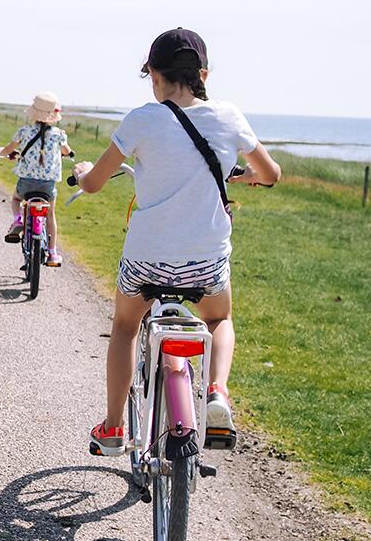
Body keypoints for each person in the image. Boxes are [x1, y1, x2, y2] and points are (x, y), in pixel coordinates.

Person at [71, 28, 281, 457]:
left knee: (127, 327)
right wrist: (245, 175)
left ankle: (113, 428)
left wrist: (82, 173)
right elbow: (271, 173)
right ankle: (218, 393)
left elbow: (92, 184)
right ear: (201, 73)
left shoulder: (142, 120)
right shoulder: (228, 116)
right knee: (218, 320)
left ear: (154, 74)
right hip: (205, 264)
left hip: (146, 261)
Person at [0, 92, 71, 267]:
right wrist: (67, 153)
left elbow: (8, 149)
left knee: (15, 199)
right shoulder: (59, 135)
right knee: (50, 215)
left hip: (27, 183)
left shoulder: (24, 131)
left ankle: (18, 220)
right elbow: (67, 151)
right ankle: (52, 253)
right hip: (47, 186)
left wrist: (1, 151)